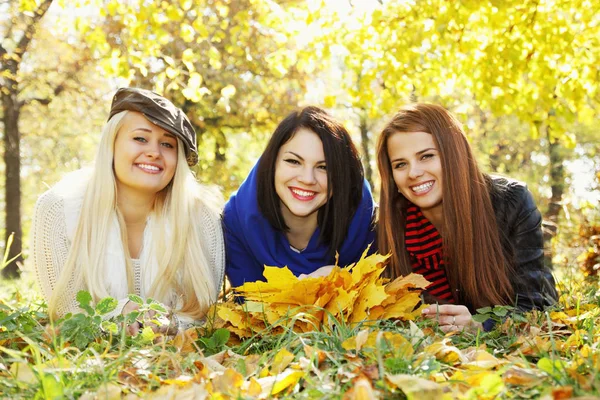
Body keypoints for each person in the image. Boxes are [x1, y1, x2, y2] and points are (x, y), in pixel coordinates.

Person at [31, 87, 225, 334]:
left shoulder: (201, 217)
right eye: (140, 138)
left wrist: (171, 325)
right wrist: (117, 315)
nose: (154, 152)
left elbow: (204, 316)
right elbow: (66, 313)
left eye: (167, 144)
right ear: (111, 144)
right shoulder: (60, 209)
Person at [375, 103, 557, 332]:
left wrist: (483, 325)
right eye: (400, 164)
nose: (413, 173)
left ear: (454, 155)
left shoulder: (511, 203)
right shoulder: (388, 228)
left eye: (426, 156)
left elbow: (535, 305)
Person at [224, 106, 376, 287]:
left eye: (324, 167)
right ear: (272, 163)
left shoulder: (365, 221)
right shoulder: (237, 220)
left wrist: (342, 280)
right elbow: (247, 304)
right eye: (293, 161)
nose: (307, 179)